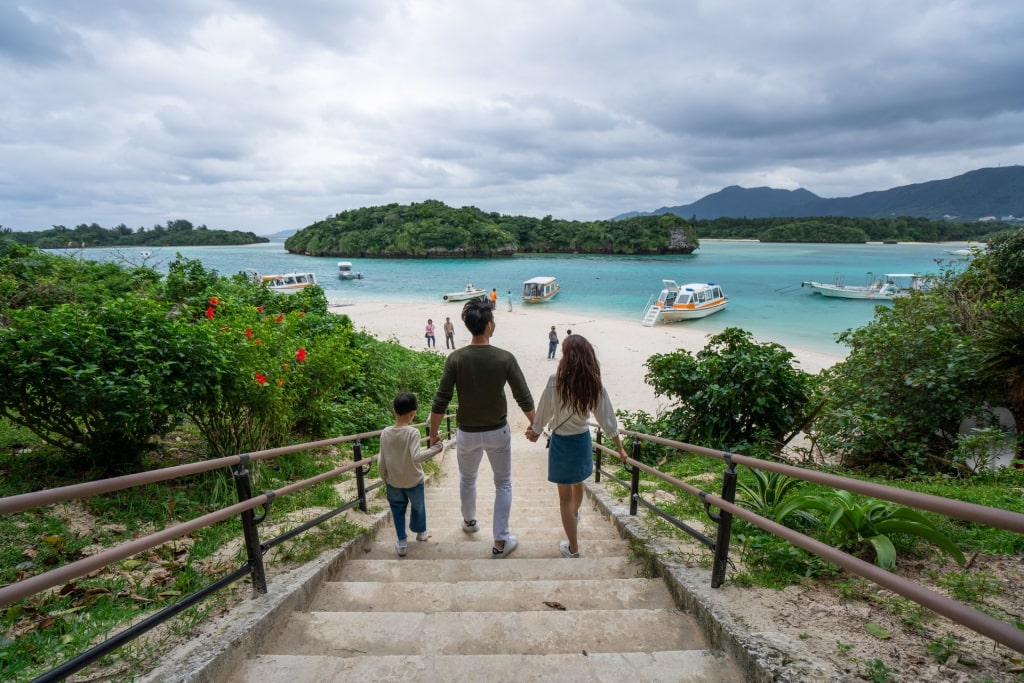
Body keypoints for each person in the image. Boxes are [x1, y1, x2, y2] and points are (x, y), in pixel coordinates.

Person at [429, 298, 536, 559]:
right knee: (503, 484)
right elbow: (523, 396)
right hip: (497, 431)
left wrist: (432, 433)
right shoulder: (504, 358)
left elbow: (441, 399)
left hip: (466, 432)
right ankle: (500, 541)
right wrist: (535, 424)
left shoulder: (456, 358)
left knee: (467, 478)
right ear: (489, 325)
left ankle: (469, 521)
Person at [525, 334, 628, 559]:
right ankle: (575, 515)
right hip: (582, 441)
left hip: (561, 442)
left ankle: (573, 547)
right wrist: (619, 447)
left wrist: (535, 431)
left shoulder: (555, 381)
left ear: (566, 356)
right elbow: (607, 418)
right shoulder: (594, 383)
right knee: (578, 483)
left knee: (564, 498)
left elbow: (543, 411)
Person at [378, 392, 444, 556]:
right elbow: (417, 457)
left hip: (393, 482)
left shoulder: (385, 432)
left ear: (394, 411)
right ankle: (421, 533)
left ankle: (401, 543)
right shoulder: (413, 433)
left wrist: (384, 477)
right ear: (413, 413)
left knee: (397, 510)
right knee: (418, 507)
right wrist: (436, 448)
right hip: (414, 481)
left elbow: (382, 459)